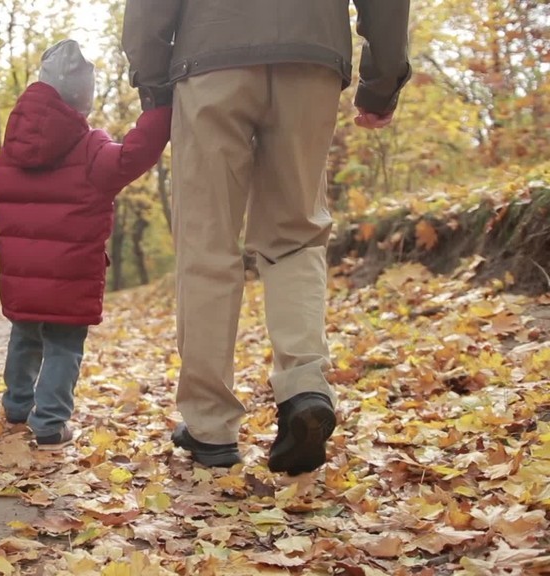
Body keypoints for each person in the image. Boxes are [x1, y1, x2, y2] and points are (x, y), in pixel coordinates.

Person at [122, 1, 411, 474]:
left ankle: (211, 426)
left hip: (209, 59)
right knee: (296, 233)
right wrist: (381, 82)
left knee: (207, 245)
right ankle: (304, 389)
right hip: (310, 56)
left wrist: (154, 84)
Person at [0, 40, 171, 450]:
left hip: (22, 282)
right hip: (72, 278)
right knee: (63, 345)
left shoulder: (11, 156)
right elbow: (134, 154)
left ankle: (18, 406)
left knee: (25, 337)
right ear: (81, 102)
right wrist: (159, 112)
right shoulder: (92, 151)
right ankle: (50, 422)